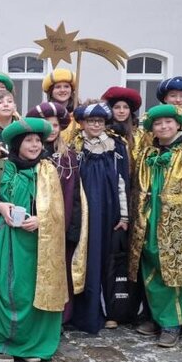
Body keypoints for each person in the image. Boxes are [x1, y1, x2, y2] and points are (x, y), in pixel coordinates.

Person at [0, 118, 69, 362]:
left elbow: (58, 209)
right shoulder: (1, 167)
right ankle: (3, 343)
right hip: (7, 238)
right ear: (17, 144)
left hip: (39, 241)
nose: (34, 145)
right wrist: (0, 205)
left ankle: (35, 345)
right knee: (8, 290)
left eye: (38, 141)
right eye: (28, 140)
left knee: (34, 292)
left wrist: (42, 220)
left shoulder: (48, 170)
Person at [128, 105, 182, 347]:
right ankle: (157, 316)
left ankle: (171, 323)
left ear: (178, 125)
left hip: (177, 222)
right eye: (158, 123)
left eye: (168, 122)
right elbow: (137, 187)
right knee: (151, 264)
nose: (163, 127)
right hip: (149, 218)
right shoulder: (146, 153)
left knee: (172, 269)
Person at [69, 102, 129, 334]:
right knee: (85, 258)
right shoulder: (74, 146)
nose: (95, 125)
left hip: (109, 211)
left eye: (100, 121)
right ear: (82, 122)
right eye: (91, 121)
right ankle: (84, 312)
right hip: (83, 211)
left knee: (108, 259)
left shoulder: (116, 147)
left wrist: (124, 214)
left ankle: (109, 310)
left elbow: (122, 181)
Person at [27, 102, 86, 323]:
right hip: (35, 226)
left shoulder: (68, 157)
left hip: (62, 225)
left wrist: (74, 227)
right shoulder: (31, 155)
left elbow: (78, 195)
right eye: (46, 125)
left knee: (60, 272)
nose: (51, 129)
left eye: (55, 125)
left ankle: (58, 318)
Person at [101, 86, 145, 158]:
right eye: (117, 107)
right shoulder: (103, 133)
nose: (122, 111)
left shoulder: (140, 135)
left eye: (126, 107)